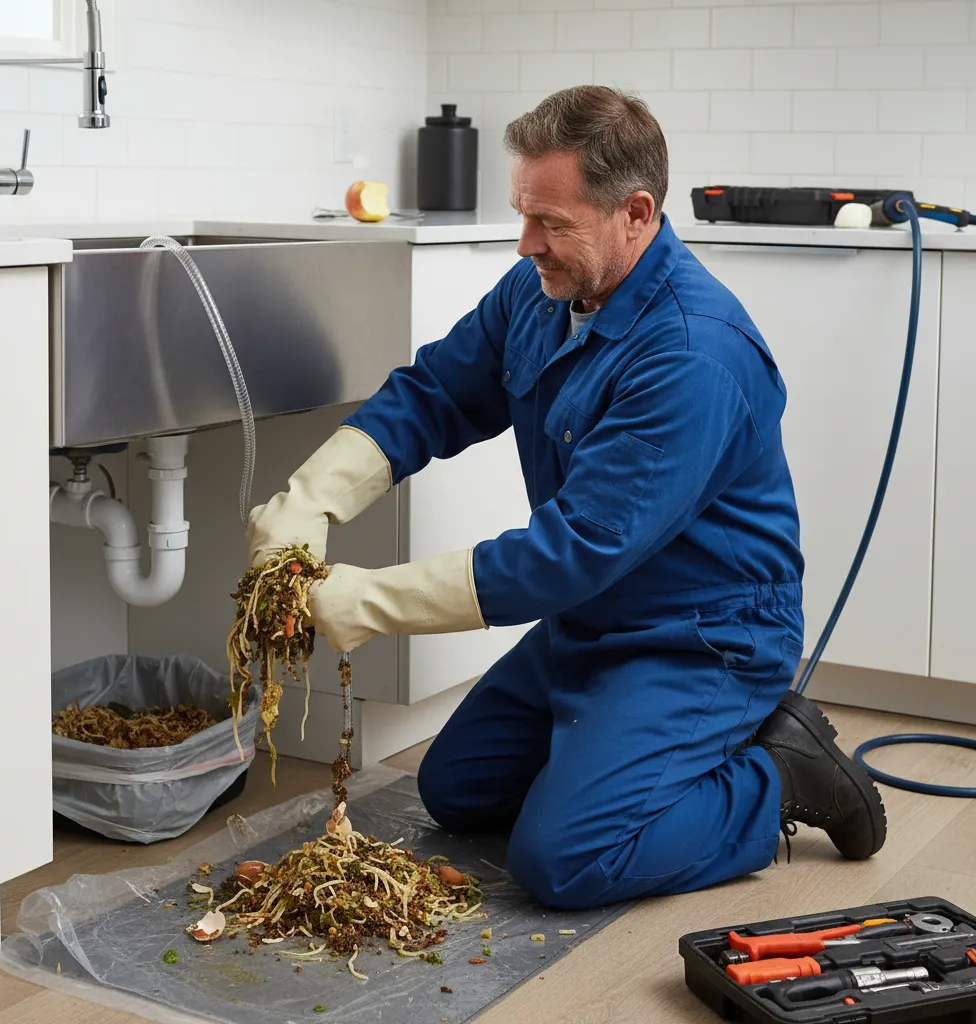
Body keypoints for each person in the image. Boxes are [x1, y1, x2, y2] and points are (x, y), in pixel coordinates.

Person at [246, 86, 886, 910]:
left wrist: (370, 600)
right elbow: (436, 394)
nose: (526, 244)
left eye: (551, 222)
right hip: (590, 621)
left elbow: (574, 550)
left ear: (636, 213)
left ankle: (780, 775)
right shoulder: (542, 292)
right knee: (456, 789)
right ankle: (628, 760)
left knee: (565, 861)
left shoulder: (693, 354)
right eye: (524, 214)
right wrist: (311, 498)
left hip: (701, 637)